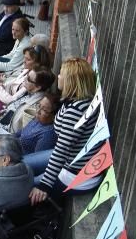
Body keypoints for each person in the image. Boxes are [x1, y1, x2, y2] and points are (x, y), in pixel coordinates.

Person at [28, 58, 99, 203]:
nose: (58, 76)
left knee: (24, 187)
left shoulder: (77, 111)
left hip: (76, 175)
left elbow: (62, 150)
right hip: (69, 161)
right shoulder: (73, 101)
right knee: (22, 163)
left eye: (61, 74)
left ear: (70, 81)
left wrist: (45, 185)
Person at [0, 93, 60, 172]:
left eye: (44, 110)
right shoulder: (37, 120)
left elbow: (35, 160)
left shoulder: (48, 134)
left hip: (13, 161)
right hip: (9, 148)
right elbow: (17, 134)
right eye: (39, 106)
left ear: (54, 115)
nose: (38, 111)